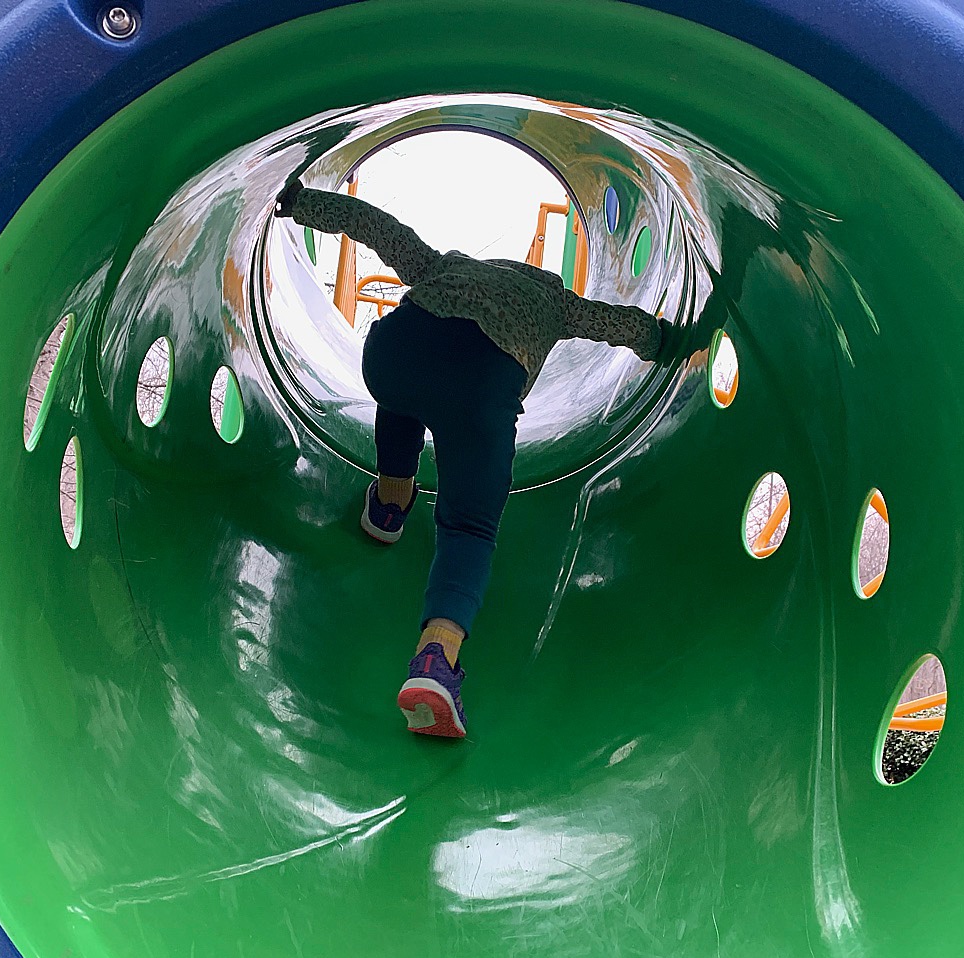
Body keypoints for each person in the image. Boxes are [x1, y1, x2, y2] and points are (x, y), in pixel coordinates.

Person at [275, 177, 680, 739]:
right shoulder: (558, 302)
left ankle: (390, 502)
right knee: (469, 527)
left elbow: (377, 228)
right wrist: (663, 340)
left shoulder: (449, 265)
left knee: (405, 393)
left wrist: (300, 203)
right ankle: (435, 661)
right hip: (482, 391)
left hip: (395, 352)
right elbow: (618, 325)